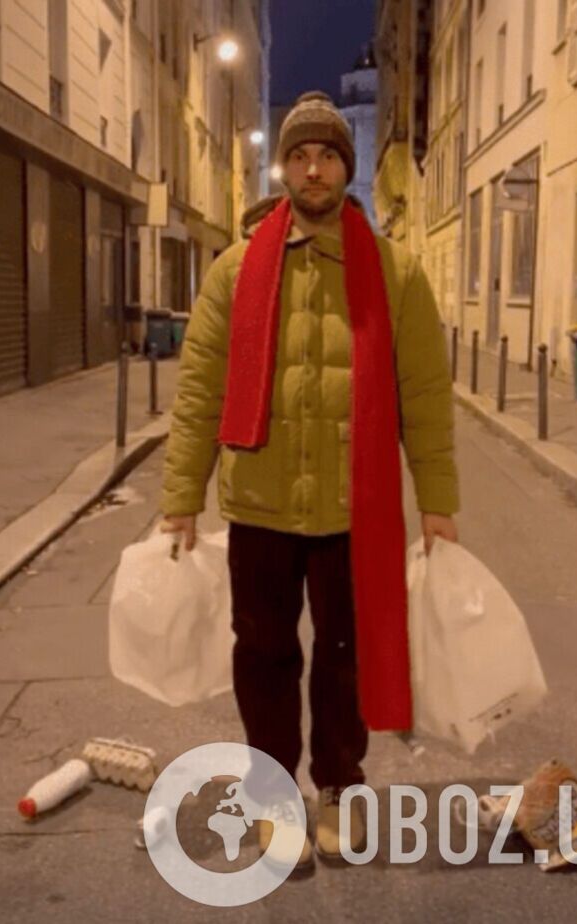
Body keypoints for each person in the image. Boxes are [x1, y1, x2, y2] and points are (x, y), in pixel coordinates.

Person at [158, 91, 458, 867]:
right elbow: (199, 393)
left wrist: (439, 504)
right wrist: (179, 500)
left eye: (326, 155)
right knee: (262, 655)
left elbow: (425, 396)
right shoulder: (234, 271)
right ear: (283, 167)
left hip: (353, 510)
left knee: (345, 655)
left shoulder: (395, 272)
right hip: (259, 506)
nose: (313, 167)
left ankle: (341, 788)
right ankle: (270, 794)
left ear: (345, 169)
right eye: (300, 155)